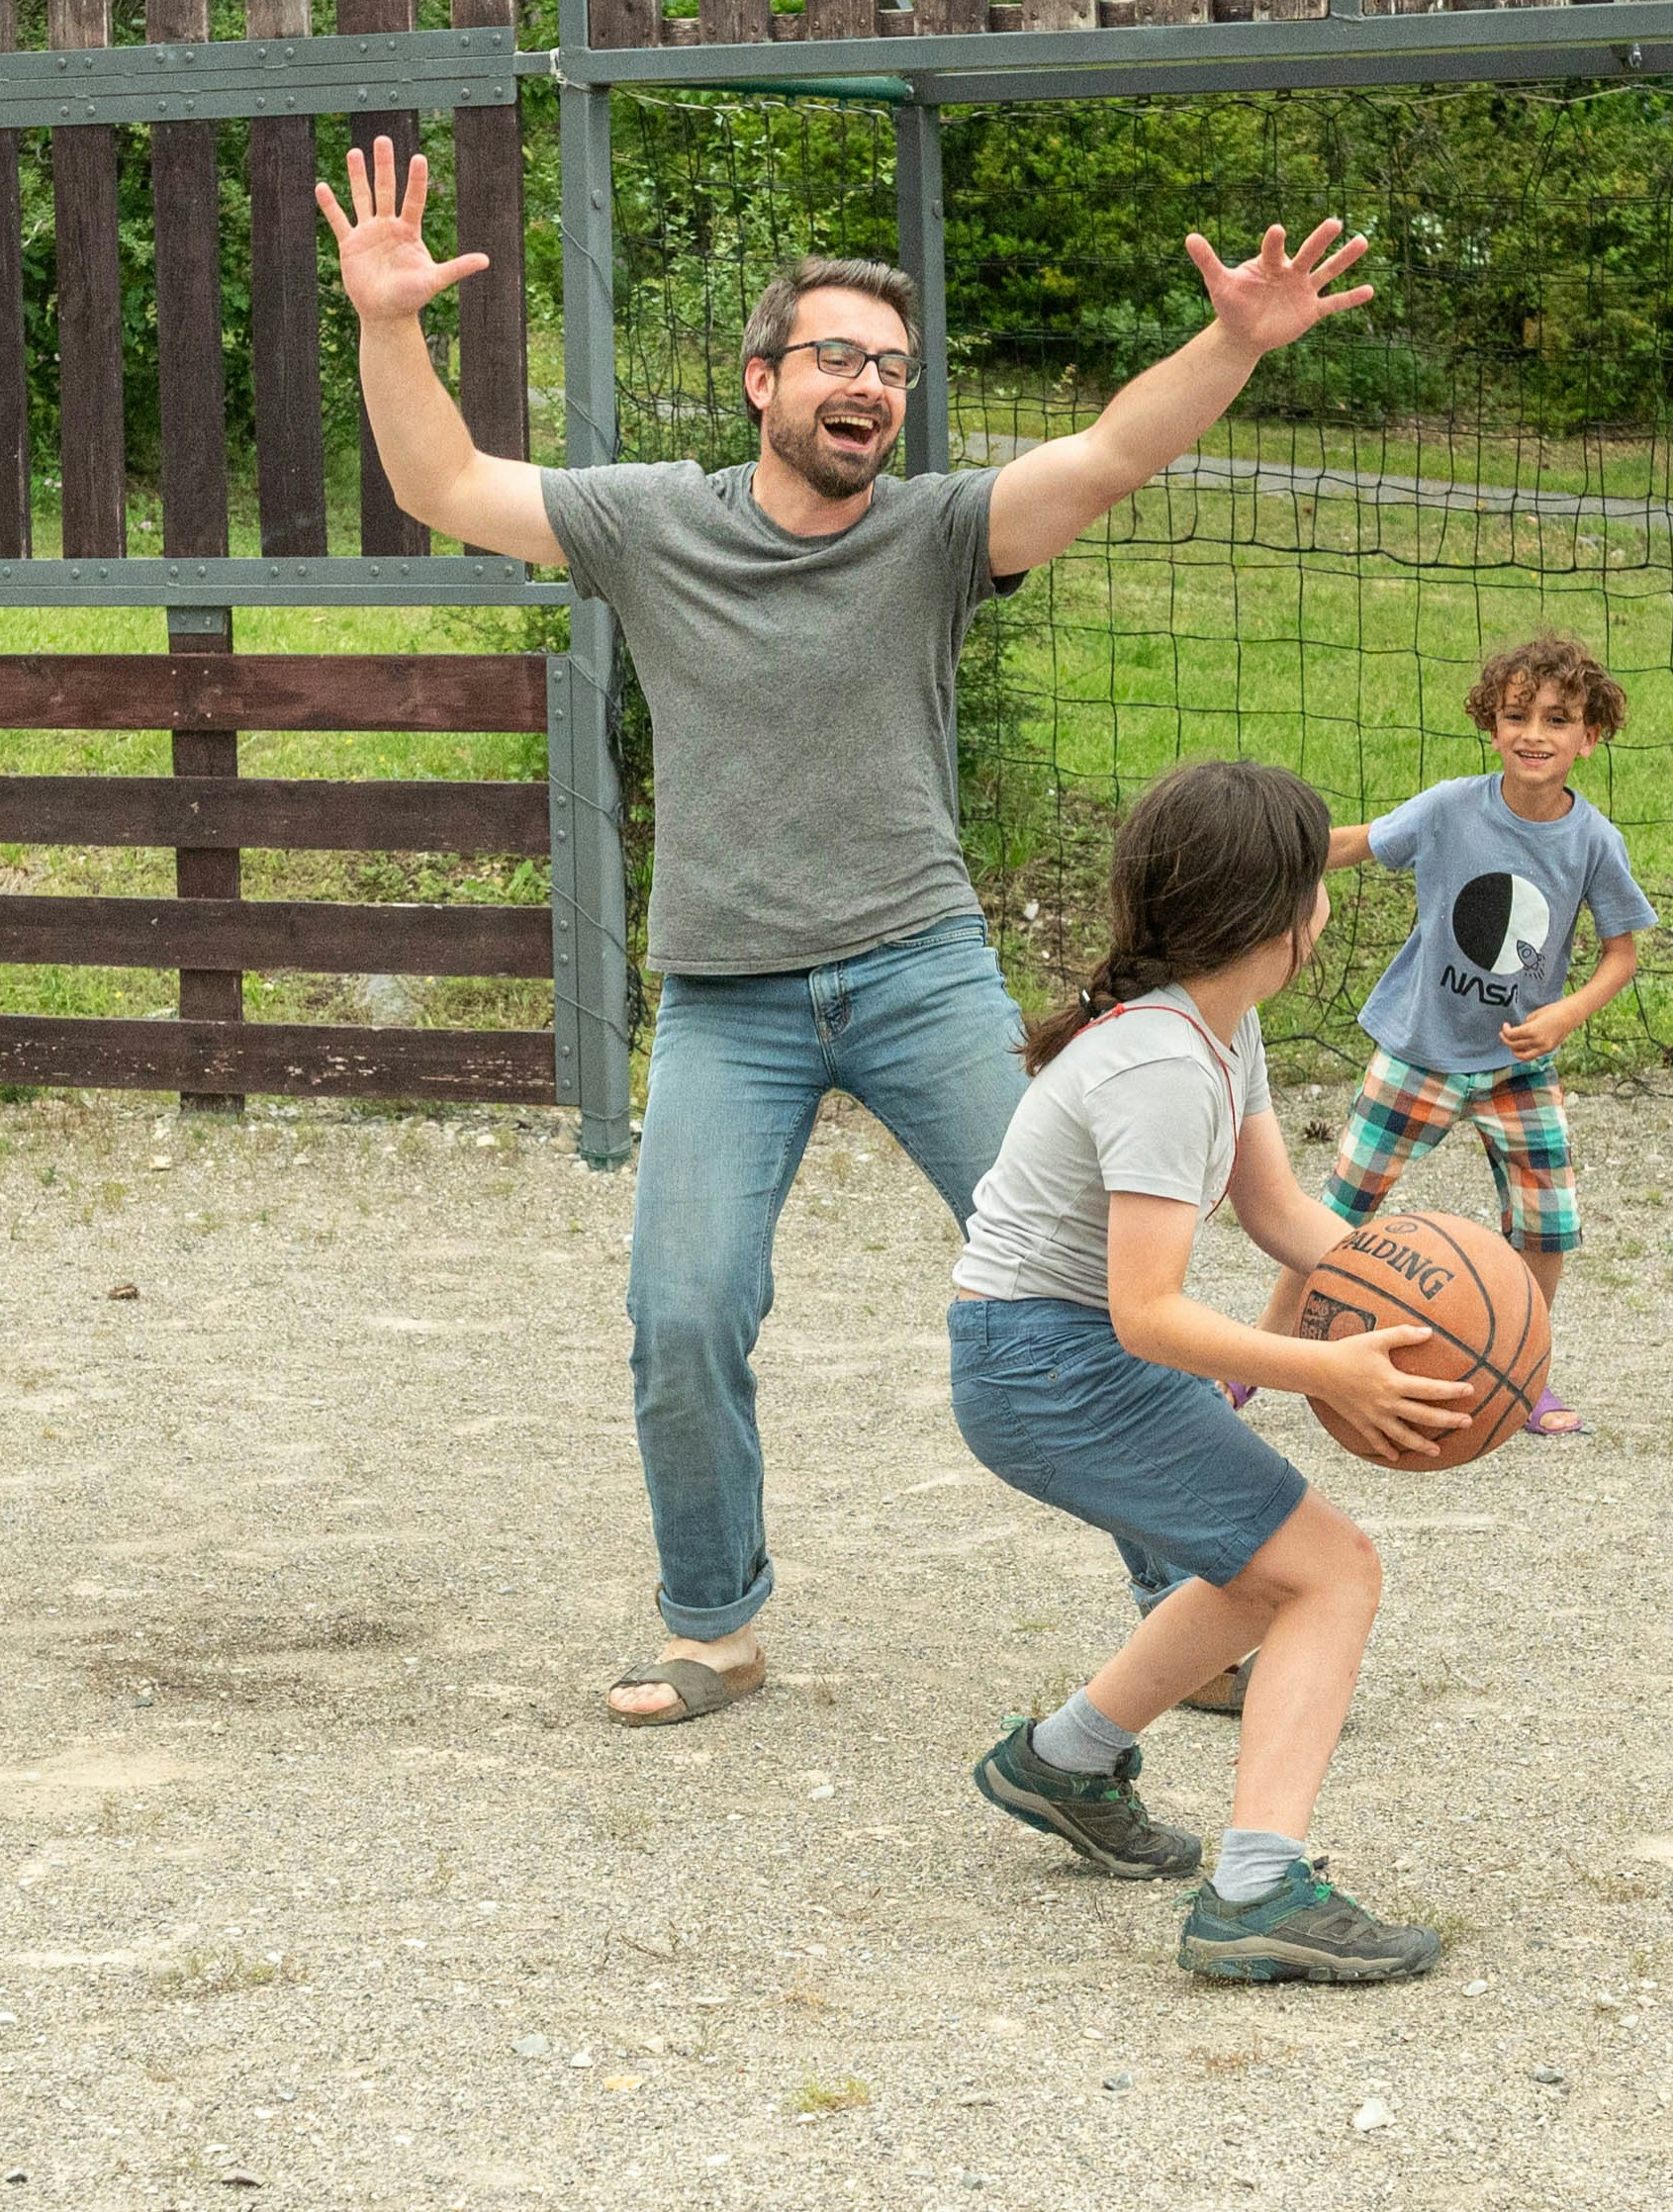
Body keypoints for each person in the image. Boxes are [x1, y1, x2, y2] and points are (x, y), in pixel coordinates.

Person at [319, 135, 1375, 1730]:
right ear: (760, 381)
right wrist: (390, 322)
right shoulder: (647, 526)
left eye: (889, 365)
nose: (866, 384)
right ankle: (715, 1623)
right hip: (728, 996)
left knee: (1099, 1284)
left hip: (915, 967)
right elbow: (439, 486)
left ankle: (1199, 1604)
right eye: (833, 356)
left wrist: (1228, 339)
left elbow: (1103, 456)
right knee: (682, 1308)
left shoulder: (937, 535)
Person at [947, 758, 1470, 1984]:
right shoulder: (1165, 1065)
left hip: (1053, 1352)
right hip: (1049, 1365)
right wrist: (1321, 1367)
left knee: (1260, 1567)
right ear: (1278, 916)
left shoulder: (1214, 1033)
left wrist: (1430, 1307)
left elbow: (1285, 1213)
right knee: (1334, 1570)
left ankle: (1064, 1762)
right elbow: (1146, 1314)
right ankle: (1258, 1890)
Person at [1254, 633, 1650, 1436]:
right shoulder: (1448, 808)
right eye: (1516, 714)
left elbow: (1622, 953)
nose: (1534, 732)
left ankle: (1522, 1368)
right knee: (1338, 1211)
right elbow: (1360, 843)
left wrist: (1567, 1011)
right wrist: (1265, 851)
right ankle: (1256, 1359)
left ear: (1589, 736)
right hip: (1419, 1050)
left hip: (1516, 1064)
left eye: (1557, 718)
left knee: (1548, 1222)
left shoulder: (1592, 842)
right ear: (1491, 723)